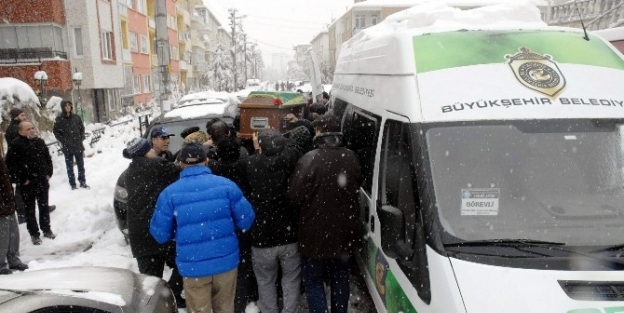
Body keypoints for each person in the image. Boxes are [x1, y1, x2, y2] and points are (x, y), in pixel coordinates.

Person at [150, 143, 256, 313]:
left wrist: (177, 232)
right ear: (206, 161)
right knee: (225, 309)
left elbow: (159, 234)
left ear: (181, 163)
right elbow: (246, 219)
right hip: (225, 261)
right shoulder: (226, 186)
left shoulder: (169, 193)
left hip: (193, 266)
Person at [288, 115, 362, 313]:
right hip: (344, 232)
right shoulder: (351, 157)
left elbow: (295, 196)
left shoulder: (309, 159)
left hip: (314, 233)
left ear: (321, 132)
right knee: (340, 277)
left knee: (313, 281)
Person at [122, 137, 185, 308]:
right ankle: (172, 292)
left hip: (139, 234)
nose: (153, 151)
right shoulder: (155, 165)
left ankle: (158, 305)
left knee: (150, 282)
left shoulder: (129, 173)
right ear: (145, 151)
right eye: (150, 148)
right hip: (158, 230)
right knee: (185, 261)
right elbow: (179, 169)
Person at [246, 129, 301, 313]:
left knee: (265, 281)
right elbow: (292, 149)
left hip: (263, 237)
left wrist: (258, 147)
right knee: (291, 279)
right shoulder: (287, 162)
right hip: (288, 235)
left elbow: (257, 161)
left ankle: (270, 310)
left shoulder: (252, 164)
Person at [208, 136, 257, 313]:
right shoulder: (246, 166)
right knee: (244, 267)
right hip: (241, 224)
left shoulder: (213, 171)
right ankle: (242, 302)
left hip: (221, 227)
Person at [6, 122, 55, 245]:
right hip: (27, 184)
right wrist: (22, 179)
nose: (32, 131)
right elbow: (11, 166)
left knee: (44, 206)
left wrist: (48, 173)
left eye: (33, 128)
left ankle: (46, 229)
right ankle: (34, 234)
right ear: (21, 132)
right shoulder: (16, 145)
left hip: (41, 180)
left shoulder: (39, 142)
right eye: (28, 129)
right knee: (30, 210)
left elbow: (47, 159)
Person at [0, 154, 28, 274]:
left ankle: (13, 258)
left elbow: (5, 175)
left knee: (13, 232)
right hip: (2, 201)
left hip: (7, 196)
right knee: (3, 234)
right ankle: (1, 263)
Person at [53, 100, 89, 190]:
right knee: (69, 167)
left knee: (81, 165)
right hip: (67, 147)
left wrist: (81, 137)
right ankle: (72, 184)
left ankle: (82, 181)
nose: (68, 107)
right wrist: (63, 140)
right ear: (63, 107)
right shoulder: (59, 119)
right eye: (66, 106)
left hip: (77, 145)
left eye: (69, 105)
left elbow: (82, 128)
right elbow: (56, 132)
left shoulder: (76, 117)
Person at [5, 107, 27, 224]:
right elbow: (18, 147)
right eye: (22, 115)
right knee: (20, 188)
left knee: (26, 187)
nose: (25, 117)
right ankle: (22, 213)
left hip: (19, 163)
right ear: (16, 116)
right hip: (18, 164)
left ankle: (25, 211)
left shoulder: (16, 127)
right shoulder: (15, 129)